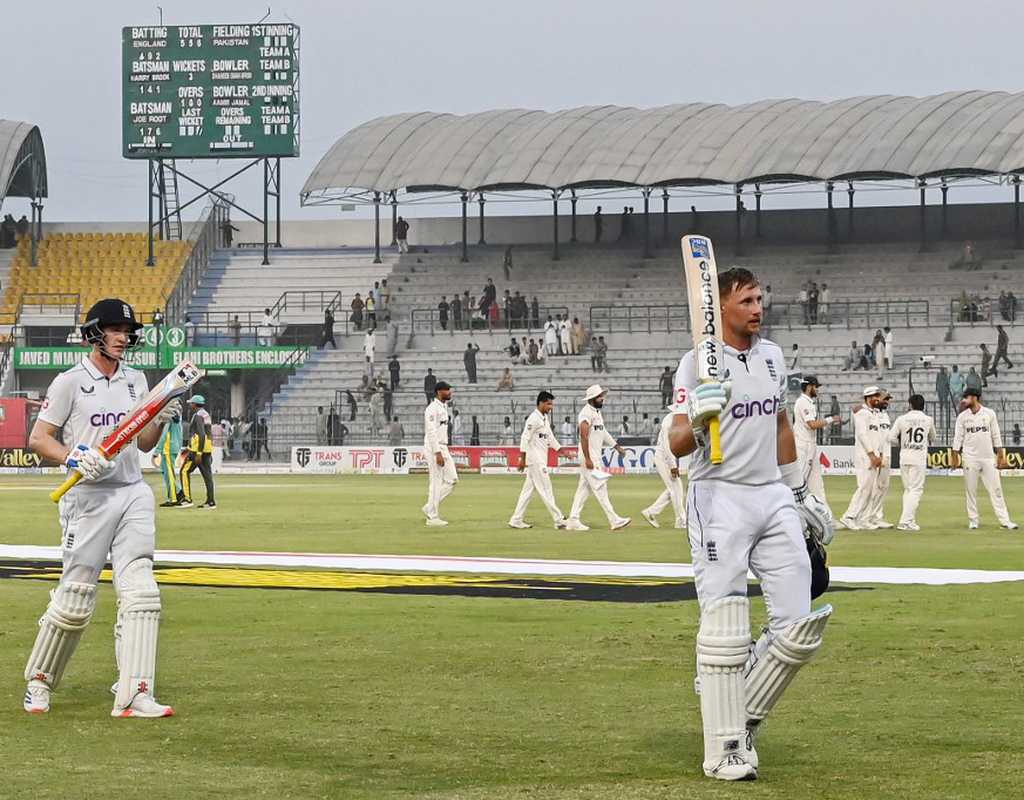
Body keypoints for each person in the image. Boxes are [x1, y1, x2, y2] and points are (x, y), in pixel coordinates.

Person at [667, 266, 833, 781]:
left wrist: (798, 489)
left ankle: (730, 699)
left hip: (771, 494)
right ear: (719, 309)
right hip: (719, 498)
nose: (758, 309)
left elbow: (780, 421)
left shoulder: (773, 356)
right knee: (726, 631)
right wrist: (697, 416)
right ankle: (724, 750)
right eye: (746, 302)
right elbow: (675, 443)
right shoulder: (696, 364)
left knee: (798, 625)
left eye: (760, 299)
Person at [22, 298, 177, 717]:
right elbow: (39, 438)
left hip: (132, 490)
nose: (124, 337)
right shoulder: (70, 381)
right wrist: (71, 457)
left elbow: (143, 443)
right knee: (75, 597)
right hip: (88, 497)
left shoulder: (136, 379)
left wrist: (161, 417)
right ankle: (39, 681)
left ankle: (133, 693)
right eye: (115, 330)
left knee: (141, 591)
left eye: (128, 332)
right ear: (95, 333)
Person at [566, 385, 631, 531]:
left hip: (593, 456)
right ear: (592, 398)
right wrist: (588, 459)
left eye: (602, 395)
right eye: (600, 396)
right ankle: (614, 519)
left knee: (584, 489)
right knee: (601, 486)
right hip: (589, 457)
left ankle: (573, 520)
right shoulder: (585, 414)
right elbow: (583, 435)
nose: (603, 398)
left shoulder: (597, 412)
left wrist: (617, 446)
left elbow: (603, 432)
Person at [952, 387, 1018, 529]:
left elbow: (996, 435)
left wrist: (1000, 455)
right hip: (970, 458)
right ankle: (973, 521)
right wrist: (955, 456)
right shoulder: (962, 417)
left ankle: (1005, 521)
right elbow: (958, 438)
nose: (964, 400)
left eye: (967, 397)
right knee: (971, 491)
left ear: (975, 398)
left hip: (988, 458)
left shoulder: (989, 414)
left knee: (996, 490)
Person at [508, 391, 569, 529]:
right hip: (535, 460)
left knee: (527, 491)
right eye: (548, 404)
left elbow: (550, 438)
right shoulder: (533, 419)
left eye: (552, 404)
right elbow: (525, 438)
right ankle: (559, 519)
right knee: (546, 488)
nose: (551, 407)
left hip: (540, 459)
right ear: (540, 403)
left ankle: (516, 519)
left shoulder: (544, 419)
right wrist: (522, 459)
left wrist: (562, 451)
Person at [840, 386, 888, 530]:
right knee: (864, 488)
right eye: (875, 396)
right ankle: (848, 516)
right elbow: (862, 435)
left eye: (878, 396)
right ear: (868, 398)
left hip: (873, 456)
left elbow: (876, 437)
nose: (878, 399)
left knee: (870, 489)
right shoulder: (862, 413)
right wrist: (872, 455)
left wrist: (878, 455)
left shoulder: (873, 413)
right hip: (865, 456)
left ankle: (861, 518)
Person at [889, 394, 936, 531]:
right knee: (916, 490)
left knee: (909, 490)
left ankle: (909, 520)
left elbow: (891, 437)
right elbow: (933, 437)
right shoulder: (928, 419)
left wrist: (902, 443)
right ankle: (905, 521)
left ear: (910, 405)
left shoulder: (901, 419)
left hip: (904, 456)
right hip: (918, 458)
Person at [792, 376, 838, 514]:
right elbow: (812, 424)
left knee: (817, 484)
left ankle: (825, 515)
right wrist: (831, 419)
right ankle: (793, 513)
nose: (817, 389)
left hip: (810, 445)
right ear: (809, 387)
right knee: (800, 481)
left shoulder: (808, 402)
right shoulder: (803, 402)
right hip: (803, 446)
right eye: (815, 386)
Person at [640, 413, 687, 529]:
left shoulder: (680, 418)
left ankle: (651, 512)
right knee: (675, 489)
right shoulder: (669, 420)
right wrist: (672, 465)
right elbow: (666, 446)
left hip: (666, 457)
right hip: (663, 458)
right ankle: (680, 521)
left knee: (675, 488)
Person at [423, 381, 457, 526]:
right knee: (436, 481)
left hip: (443, 446)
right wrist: (437, 453)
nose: (450, 392)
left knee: (452, 479)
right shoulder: (432, 409)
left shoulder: (444, 406)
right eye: (447, 390)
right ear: (439, 392)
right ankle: (432, 517)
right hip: (434, 447)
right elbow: (431, 432)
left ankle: (429, 506)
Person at [179, 395, 216, 510]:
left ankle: (187, 499)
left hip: (197, 449)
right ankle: (210, 501)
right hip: (207, 448)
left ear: (195, 405)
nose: (190, 405)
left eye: (191, 403)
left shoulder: (198, 416)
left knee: (184, 471)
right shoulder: (206, 414)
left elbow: (201, 434)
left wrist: (198, 452)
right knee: (207, 476)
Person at [156, 408, 184, 507]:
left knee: (169, 474)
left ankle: (173, 498)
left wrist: (157, 450)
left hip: (168, 449)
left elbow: (164, 436)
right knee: (167, 473)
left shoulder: (169, 421)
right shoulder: (178, 421)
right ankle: (178, 492)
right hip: (173, 448)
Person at [935, 366, 951, 431]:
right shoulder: (938, 375)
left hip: (944, 389)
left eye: (942, 369)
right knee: (940, 398)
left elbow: (947, 382)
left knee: (945, 398)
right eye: (941, 369)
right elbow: (936, 381)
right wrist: (936, 387)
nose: (941, 370)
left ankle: (945, 406)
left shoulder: (946, 375)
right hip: (940, 388)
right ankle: (941, 406)